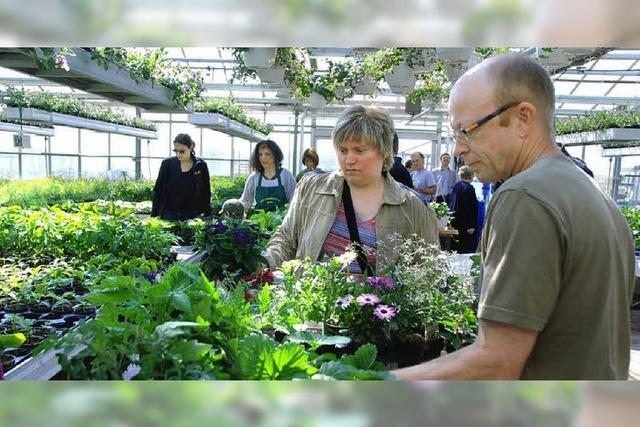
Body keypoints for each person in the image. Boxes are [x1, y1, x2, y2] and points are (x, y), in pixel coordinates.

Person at [393, 54, 635, 380]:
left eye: (467, 130)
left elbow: (496, 362)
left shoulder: (525, 196)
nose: (459, 148)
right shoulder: (592, 194)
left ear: (523, 118)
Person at [264, 105, 438, 275]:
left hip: (377, 303)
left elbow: (430, 272)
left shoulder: (413, 208)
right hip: (315, 301)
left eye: (360, 151)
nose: (349, 160)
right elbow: (286, 238)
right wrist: (265, 261)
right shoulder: (312, 188)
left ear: (384, 152)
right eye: (343, 150)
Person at [151, 133, 211, 220]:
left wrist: (207, 214)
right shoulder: (167, 164)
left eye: (182, 151)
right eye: (176, 151)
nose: (179, 154)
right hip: (169, 213)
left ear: (190, 148)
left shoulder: (200, 165)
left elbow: (206, 191)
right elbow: (158, 190)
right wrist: (154, 215)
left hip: (193, 215)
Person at [239, 139, 296, 212]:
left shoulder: (286, 175)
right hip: (259, 222)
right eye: (260, 154)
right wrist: (234, 207)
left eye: (267, 154)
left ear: (275, 155)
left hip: (282, 222)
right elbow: (245, 201)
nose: (263, 158)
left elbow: (294, 200)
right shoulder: (254, 178)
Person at [448, 166, 478, 254]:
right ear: (472, 176)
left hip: (454, 221)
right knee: (464, 249)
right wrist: (471, 225)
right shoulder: (469, 189)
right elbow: (469, 207)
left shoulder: (456, 186)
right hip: (465, 224)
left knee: (454, 248)